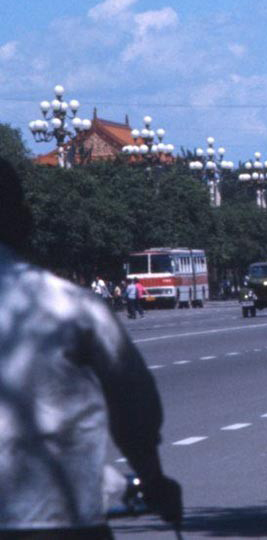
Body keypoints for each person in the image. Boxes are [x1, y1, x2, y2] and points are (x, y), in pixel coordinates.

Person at [0, 157, 182, 538]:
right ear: (24, 222)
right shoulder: (71, 306)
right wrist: (153, 481)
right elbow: (134, 409)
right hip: (59, 522)